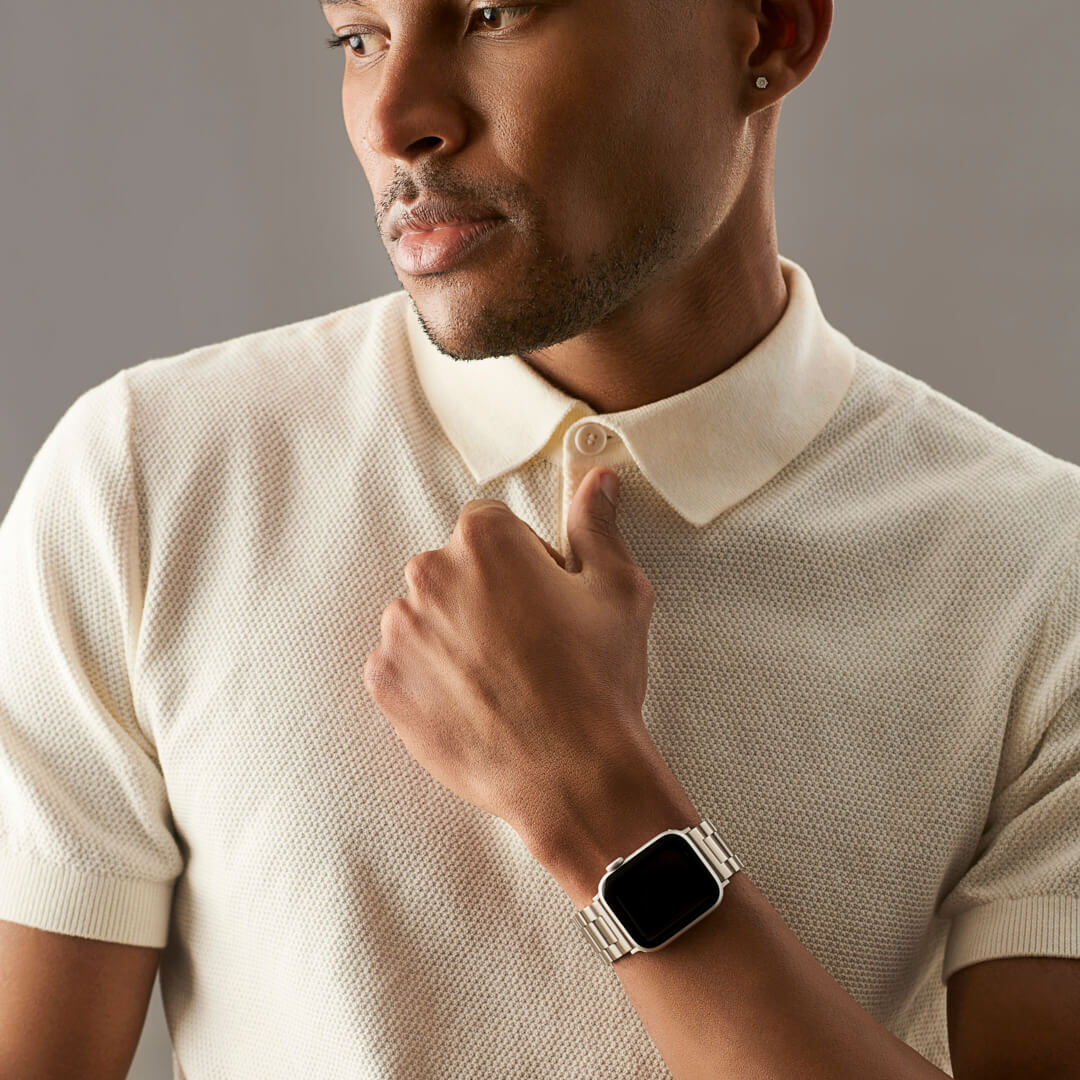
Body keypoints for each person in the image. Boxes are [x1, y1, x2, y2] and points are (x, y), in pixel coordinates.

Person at [1, 0, 1078, 1076]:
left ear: (770, 33)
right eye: (360, 38)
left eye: (493, 13)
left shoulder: (1044, 572)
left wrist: (603, 809)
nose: (394, 120)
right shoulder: (146, 480)